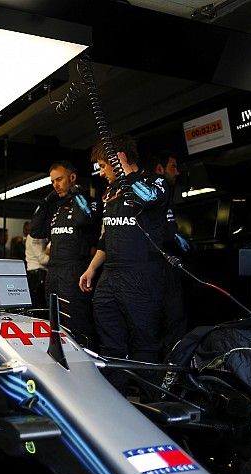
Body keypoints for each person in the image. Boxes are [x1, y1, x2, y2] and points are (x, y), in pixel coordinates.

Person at [79, 135, 167, 394]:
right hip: (110, 276)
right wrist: (92, 268)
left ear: (119, 159)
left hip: (141, 275)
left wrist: (124, 176)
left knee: (145, 343)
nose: (102, 172)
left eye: (104, 166)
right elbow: (108, 236)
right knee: (110, 342)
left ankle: (152, 405)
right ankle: (115, 399)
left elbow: (149, 197)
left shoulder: (154, 183)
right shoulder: (111, 193)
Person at [31, 160, 100, 347]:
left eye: (59, 179)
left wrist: (76, 192)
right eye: (52, 181)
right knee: (54, 322)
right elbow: (35, 230)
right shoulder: (56, 207)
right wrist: (47, 200)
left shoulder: (90, 203)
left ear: (72, 177)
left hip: (75, 271)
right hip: (53, 273)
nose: (56, 185)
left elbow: (83, 219)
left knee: (77, 324)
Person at [150, 150, 189, 354]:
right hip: (159, 271)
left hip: (165, 270)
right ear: (159, 169)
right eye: (173, 167)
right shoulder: (154, 195)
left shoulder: (166, 196)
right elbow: (166, 235)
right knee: (171, 321)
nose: (177, 172)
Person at [25, 232, 49, 309]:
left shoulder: (41, 235)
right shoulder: (35, 236)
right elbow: (42, 259)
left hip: (38, 273)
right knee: (39, 307)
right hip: (37, 274)